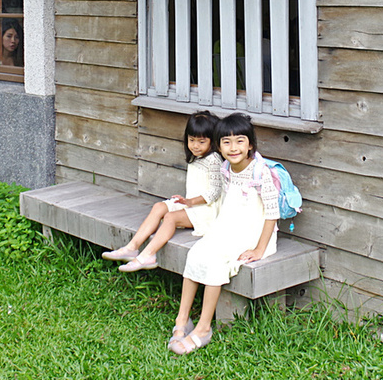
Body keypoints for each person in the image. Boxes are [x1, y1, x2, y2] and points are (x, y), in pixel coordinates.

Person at [169, 113, 278, 355]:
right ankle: (182, 320)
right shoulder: (226, 168)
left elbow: (272, 213)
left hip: (253, 233)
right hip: (229, 227)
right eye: (226, 142)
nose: (233, 148)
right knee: (197, 253)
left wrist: (260, 249)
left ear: (250, 144)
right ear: (218, 146)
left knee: (216, 261)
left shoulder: (261, 172)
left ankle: (203, 327)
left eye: (240, 141)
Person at [102, 112, 222, 279]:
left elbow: (215, 192)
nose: (195, 146)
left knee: (170, 218)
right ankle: (132, 247)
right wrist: (184, 200)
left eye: (202, 141)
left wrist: (189, 201)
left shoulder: (214, 159)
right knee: (159, 207)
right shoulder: (196, 157)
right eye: (191, 140)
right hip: (192, 204)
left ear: (212, 140)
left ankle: (148, 255)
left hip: (206, 211)